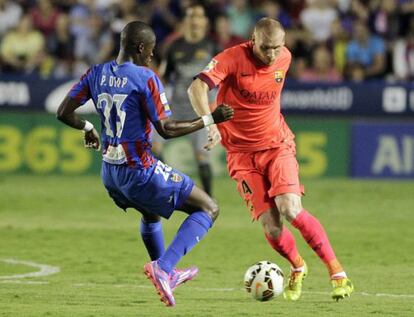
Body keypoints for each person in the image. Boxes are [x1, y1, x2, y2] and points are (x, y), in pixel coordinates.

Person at [56, 20, 233, 307]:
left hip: (110, 174)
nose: (151, 56)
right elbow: (166, 128)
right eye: (150, 50)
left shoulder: (96, 73)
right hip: (140, 170)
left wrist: (88, 128)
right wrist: (211, 118)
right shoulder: (145, 77)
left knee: (151, 215)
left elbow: (64, 112)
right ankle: (164, 268)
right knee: (209, 207)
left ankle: (166, 272)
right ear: (140, 48)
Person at [188, 17, 354, 301]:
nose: (272, 55)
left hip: (277, 145)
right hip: (240, 154)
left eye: (277, 48)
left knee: (290, 208)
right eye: (266, 48)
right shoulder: (231, 58)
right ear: (253, 40)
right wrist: (210, 124)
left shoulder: (285, 58)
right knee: (273, 228)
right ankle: (298, 266)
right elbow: (197, 88)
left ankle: (338, 273)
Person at [153, 3, 217, 196]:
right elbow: (163, 77)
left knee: (202, 157)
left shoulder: (213, 47)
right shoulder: (174, 47)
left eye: (198, 16)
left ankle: (208, 198)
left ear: (205, 21)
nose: (195, 20)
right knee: (155, 146)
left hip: (201, 110)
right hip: (177, 108)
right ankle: (163, 190)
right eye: (191, 16)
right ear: (185, 21)